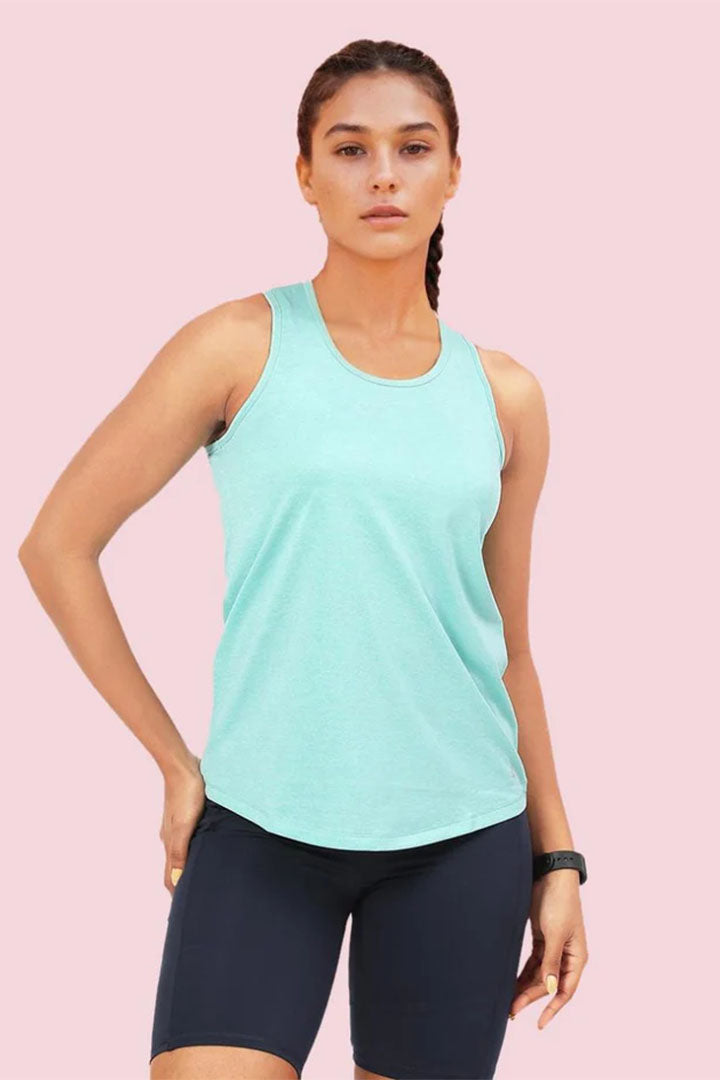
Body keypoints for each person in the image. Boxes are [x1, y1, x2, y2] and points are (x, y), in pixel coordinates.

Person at [18, 37, 589, 1080]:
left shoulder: (505, 396)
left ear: (454, 172)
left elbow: (509, 649)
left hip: (463, 836)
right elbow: (57, 547)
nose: (383, 176)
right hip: (261, 826)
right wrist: (175, 763)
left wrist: (558, 860)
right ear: (305, 174)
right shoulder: (236, 346)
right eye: (351, 148)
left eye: (414, 148)